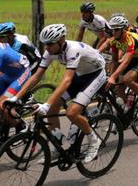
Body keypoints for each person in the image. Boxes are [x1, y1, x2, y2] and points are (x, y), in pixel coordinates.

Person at [12, 23, 107, 163]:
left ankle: (94, 141)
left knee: (71, 112)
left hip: (95, 74)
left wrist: (46, 104)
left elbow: (67, 80)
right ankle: (58, 145)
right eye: (45, 44)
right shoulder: (49, 51)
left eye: (50, 44)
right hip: (80, 74)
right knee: (51, 110)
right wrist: (16, 97)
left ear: (61, 41)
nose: (46, 48)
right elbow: (36, 77)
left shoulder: (73, 50)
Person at [104, 15, 138, 110]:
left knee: (127, 79)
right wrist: (111, 76)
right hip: (135, 58)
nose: (113, 32)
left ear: (123, 29)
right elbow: (115, 61)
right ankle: (130, 106)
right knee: (119, 88)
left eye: (116, 30)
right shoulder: (113, 41)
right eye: (112, 30)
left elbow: (126, 61)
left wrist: (113, 76)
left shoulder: (130, 39)